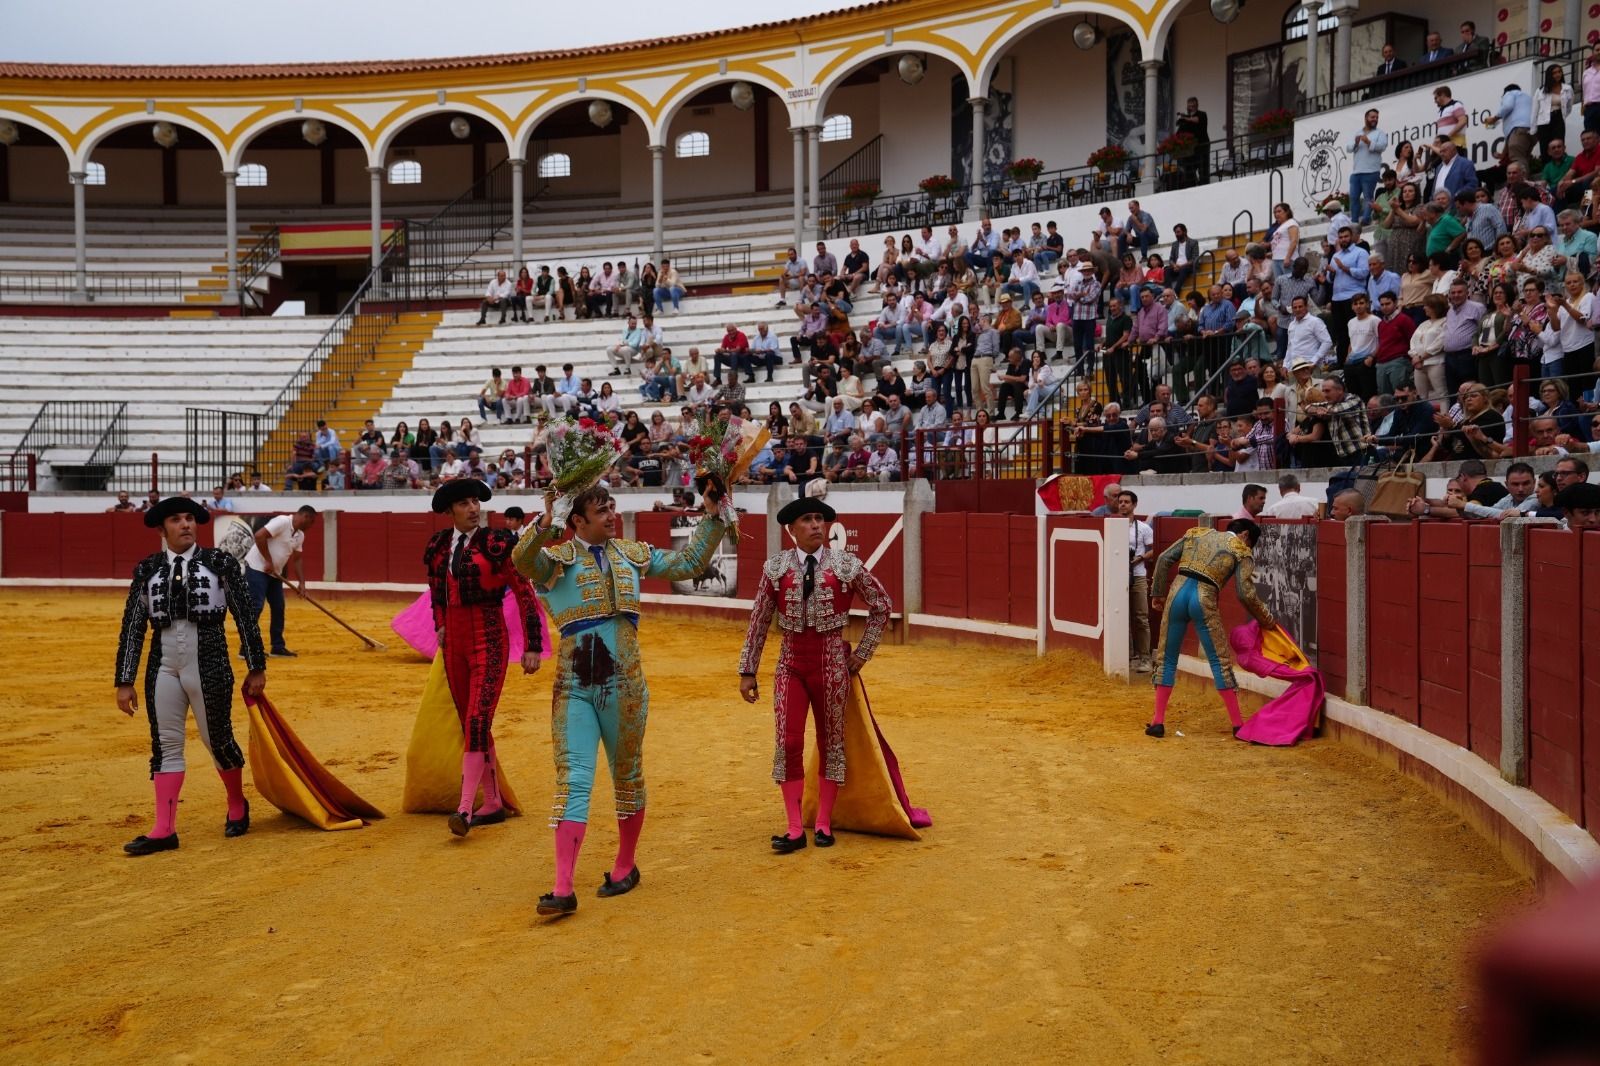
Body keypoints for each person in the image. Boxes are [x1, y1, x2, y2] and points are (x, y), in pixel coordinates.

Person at [513, 483, 730, 918]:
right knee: (574, 778)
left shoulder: (631, 553)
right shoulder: (555, 560)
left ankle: (626, 864)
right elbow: (521, 559)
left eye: (612, 507)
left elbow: (690, 562)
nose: (612, 515)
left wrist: (713, 515)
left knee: (627, 775)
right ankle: (562, 886)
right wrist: (548, 519)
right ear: (578, 521)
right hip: (574, 685)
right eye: (602, 511)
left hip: (626, 683)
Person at [738, 495, 894, 852]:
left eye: (820, 519)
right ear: (792, 529)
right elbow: (759, 620)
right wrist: (748, 670)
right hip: (790, 664)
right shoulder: (776, 568)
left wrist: (863, 653)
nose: (816, 525)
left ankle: (823, 822)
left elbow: (882, 605)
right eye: (807, 520)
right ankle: (794, 829)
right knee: (788, 743)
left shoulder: (845, 565)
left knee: (831, 744)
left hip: (831, 664)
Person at [114, 496, 266, 855]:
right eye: (176, 520)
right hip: (163, 665)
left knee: (218, 740)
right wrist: (125, 680)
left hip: (210, 661)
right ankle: (164, 829)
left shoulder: (220, 563)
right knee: (165, 744)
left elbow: (245, 615)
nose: (185, 524)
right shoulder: (147, 569)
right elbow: (133, 626)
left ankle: (236, 803)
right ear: (162, 529)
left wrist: (256, 666)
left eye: (189, 519)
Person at [422, 479, 542, 837]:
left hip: (489, 639)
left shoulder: (497, 543)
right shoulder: (439, 546)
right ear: (450, 511)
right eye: (464, 503)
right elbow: (436, 594)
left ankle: (464, 809)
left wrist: (533, 644)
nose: (473, 508)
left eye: (476, 501)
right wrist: (441, 625)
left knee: (477, 720)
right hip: (455, 645)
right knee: (471, 723)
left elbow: (524, 592)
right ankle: (491, 802)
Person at [1147, 519, 1275, 739]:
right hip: (1203, 599)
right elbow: (1245, 594)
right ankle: (1238, 725)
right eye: (1250, 543)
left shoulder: (1197, 534)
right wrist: (1266, 619)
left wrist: (1157, 592)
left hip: (1177, 594)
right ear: (1245, 535)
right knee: (1219, 661)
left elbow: (1163, 558)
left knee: (1166, 658)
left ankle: (1157, 722)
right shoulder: (1241, 550)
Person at [242, 505, 317, 658]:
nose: (311, 526)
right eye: (312, 522)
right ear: (306, 517)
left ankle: (277, 646)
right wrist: (268, 561)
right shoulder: (283, 521)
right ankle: (247, 648)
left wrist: (302, 583)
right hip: (257, 568)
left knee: (278, 607)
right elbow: (259, 536)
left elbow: (297, 560)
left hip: (275, 573)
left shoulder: (300, 535)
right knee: (256, 606)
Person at [1117, 491, 1155, 674]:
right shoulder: (1111, 525)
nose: (1123, 505)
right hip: (1117, 575)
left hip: (1138, 574)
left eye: (1126, 502)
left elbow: (1154, 550)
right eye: (1120, 502)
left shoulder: (1144, 528)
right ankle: (1128, 656)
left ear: (1134, 505)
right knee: (1120, 617)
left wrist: (1140, 558)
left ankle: (1145, 658)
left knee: (1141, 616)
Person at [1347, 109, 1389, 226]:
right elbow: (1348, 148)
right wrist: (1356, 143)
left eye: (1376, 117)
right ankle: (1354, 221)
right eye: (1372, 117)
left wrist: (1369, 142)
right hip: (1356, 171)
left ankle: (1366, 219)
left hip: (1371, 171)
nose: (1375, 119)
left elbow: (1382, 146)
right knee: (1353, 197)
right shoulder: (1358, 132)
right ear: (1366, 118)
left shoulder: (1380, 133)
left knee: (1368, 197)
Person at [1485, 83, 1536, 175]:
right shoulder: (1528, 98)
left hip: (1519, 129)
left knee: (1517, 159)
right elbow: (1511, 136)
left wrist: (1494, 118)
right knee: (1524, 157)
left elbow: (1507, 106)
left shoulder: (1510, 93)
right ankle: (1526, 180)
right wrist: (1503, 154)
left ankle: (1522, 182)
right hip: (1532, 131)